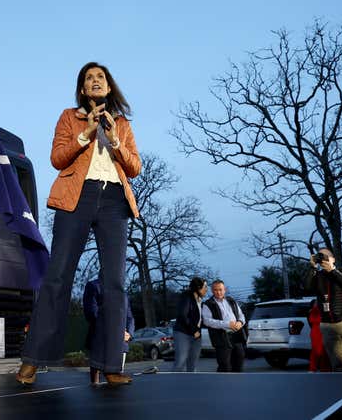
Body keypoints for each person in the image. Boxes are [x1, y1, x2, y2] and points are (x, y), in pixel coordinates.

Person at [15, 62, 141, 386]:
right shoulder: (69, 118)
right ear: (83, 89)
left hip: (114, 201)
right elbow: (57, 158)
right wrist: (85, 134)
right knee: (58, 276)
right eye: (89, 78)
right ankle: (33, 359)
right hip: (77, 197)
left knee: (115, 284)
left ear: (109, 87)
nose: (95, 81)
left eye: (100, 77)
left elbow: (135, 167)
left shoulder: (123, 124)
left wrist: (115, 140)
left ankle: (111, 365)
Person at [83, 278, 135, 385]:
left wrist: (129, 333)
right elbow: (91, 313)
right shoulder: (93, 286)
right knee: (95, 385)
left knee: (117, 384)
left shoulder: (122, 291)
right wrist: (113, 330)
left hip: (121, 343)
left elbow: (129, 316)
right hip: (99, 340)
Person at [202, 279, 247, 372]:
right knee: (225, 365)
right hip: (221, 337)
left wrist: (240, 322)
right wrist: (227, 324)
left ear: (224, 290)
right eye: (215, 290)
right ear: (212, 290)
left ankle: (237, 384)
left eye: (220, 289)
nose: (218, 292)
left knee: (239, 361)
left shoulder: (231, 301)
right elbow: (207, 321)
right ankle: (222, 385)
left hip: (237, 336)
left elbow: (241, 315)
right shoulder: (208, 304)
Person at [172, 277, 208, 372]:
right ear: (198, 287)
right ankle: (176, 384)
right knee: (180, 362)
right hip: (183, 333)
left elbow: (200, 319)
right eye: (205, 287)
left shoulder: (200, 301)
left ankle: (191, 385)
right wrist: (194, 330)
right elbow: (183, 315)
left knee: (193, 363)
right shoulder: (186, 297)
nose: (206, 289)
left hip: (196, 335)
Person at [307, 299, 331, 372]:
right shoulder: (313, 311)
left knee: (324, 351)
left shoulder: (323, 310)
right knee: (316, 351)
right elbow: (311, 321)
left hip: (322, 330)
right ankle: (313, 368)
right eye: (316, 303)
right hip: (316, 332)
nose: (318, 303)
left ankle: (324, 368)